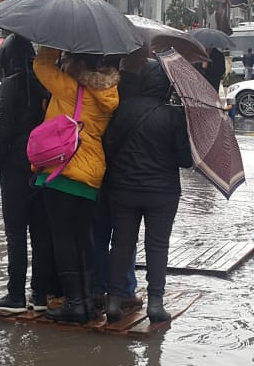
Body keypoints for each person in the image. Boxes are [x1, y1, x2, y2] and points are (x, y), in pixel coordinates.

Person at [32, 46, 121, 324]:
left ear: (79, 63)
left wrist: (51, 43)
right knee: (82, 239)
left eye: (68, 59)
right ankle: (86, 302)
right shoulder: (108, 93)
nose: (64, 62)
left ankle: (74, 304)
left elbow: (41, 66)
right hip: (92, 172)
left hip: (66, 169)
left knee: (63, 239)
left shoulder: (70, 89)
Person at [102, 59, 192, 324]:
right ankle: (155, 303)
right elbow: (186, 160)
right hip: (162, 193)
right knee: (158, 246)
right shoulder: (174, 115)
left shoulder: (123, 108)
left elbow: (108, 147)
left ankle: (113, 301)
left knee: (121, 244)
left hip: (123, 189)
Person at [0, 35, 56, 314]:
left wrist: (0, 160)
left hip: (15, 168)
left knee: (15, 233)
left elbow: (2, 131)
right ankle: (39, 295)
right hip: (43, 165)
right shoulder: (47, 84)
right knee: (41, 232)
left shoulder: (9, 86)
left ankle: (15, 294)